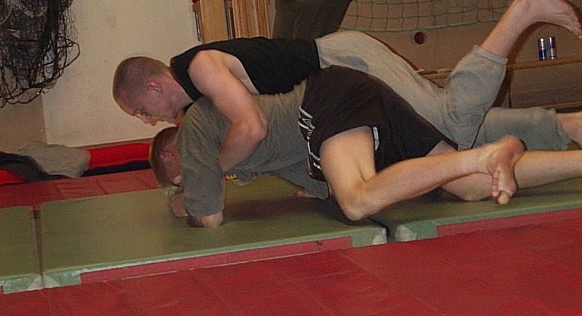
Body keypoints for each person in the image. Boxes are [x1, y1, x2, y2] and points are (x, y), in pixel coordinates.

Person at [114, 0, 582, 171]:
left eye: (141, 110)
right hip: (338, 75)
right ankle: (565, 126)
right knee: (442, 125)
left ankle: (522, 10)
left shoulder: (199, 67)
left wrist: (210, 171)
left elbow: (252, 128)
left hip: (343, 65)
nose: (149, 120)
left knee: (448, 128)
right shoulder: (198, 89)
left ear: (153, 86)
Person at [150, 68, 582, 227]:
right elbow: (304, 167)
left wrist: (187, 199)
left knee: (357, 200)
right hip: (342, 101)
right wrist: (317, 187)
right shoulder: (234, 141)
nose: (147, 119)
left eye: (183, 176)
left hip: (328, 102)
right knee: (469, 186)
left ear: (174, 156)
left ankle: (485, 153)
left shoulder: (191, 131)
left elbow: (210, 217)